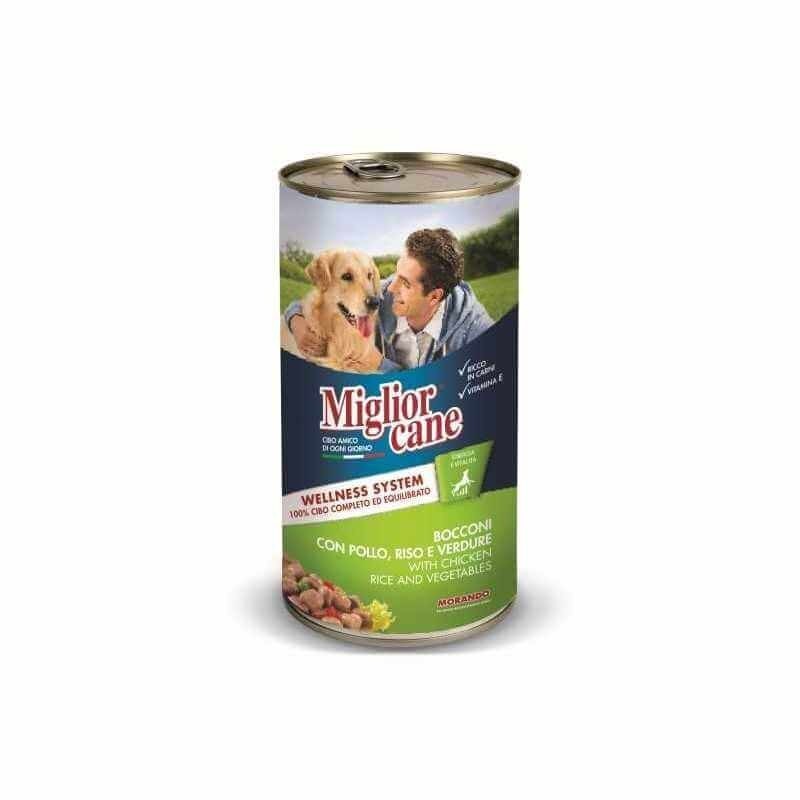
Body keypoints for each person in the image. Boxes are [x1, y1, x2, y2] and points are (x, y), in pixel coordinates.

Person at [284, 228, 494, 372]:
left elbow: (454, 391)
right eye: (396, 274)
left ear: (434, 296)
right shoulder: (385, 295)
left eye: (405, 283)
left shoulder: (475, 329)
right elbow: (313, 301)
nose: (390, 288)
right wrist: (297, 322)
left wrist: (380, 365)